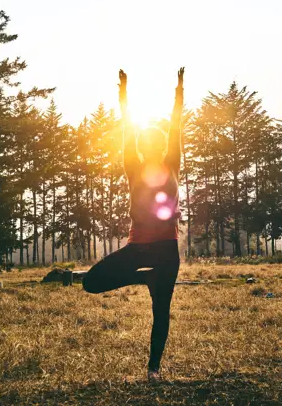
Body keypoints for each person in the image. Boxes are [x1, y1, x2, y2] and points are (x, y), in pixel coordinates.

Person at [83, 67, 184, 381]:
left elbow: (174, 130)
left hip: (157, 249)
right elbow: (136, 131)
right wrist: (124, 96)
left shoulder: (168, 164)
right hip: (147, 249)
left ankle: (154, 369)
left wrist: (176, 92)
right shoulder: (137, 166)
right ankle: (146, 281)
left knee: (159, 310)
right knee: (94, 283)